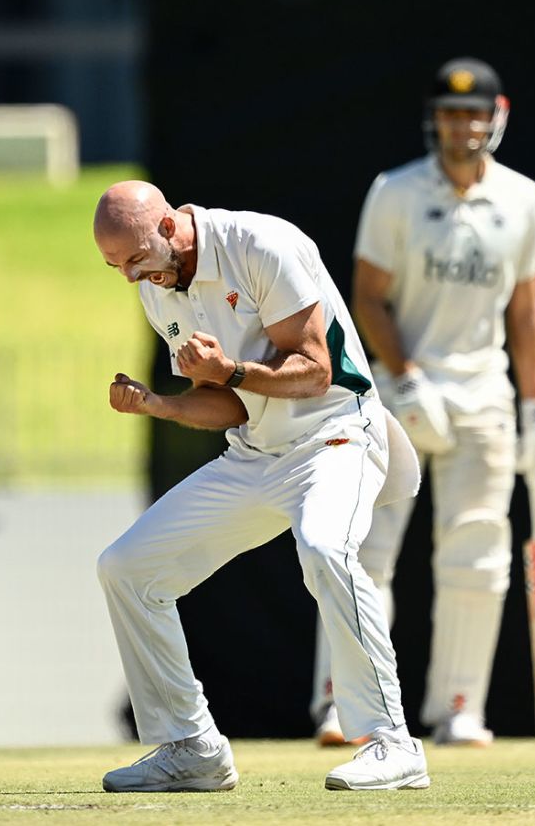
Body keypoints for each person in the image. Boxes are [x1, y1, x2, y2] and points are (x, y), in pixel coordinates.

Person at [93, 180, 430, 791]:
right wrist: (159, 407)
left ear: (169, 227)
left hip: (337, 434)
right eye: (116, 266)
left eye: (136, 258)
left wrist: (233, 370)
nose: (131, 277)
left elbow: (316, 371)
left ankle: (392, 742)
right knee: (127, 568)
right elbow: (227, 406)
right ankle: (192, 746)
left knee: (325, 547)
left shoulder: (259, 243)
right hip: (256, 453)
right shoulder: (156, 287)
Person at [310, 57, 535, 748]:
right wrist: (409, 374)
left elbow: (528, 310)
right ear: (434, 121)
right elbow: (367, 295)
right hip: (397, 396)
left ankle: (459, 706)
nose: (463, 127)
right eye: (451, 115)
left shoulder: (523, 200)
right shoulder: (394, 193)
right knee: (365, 548)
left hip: (484, 396)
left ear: (497, 115)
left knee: (478, 553)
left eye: (474, 114)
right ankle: (347, 704)